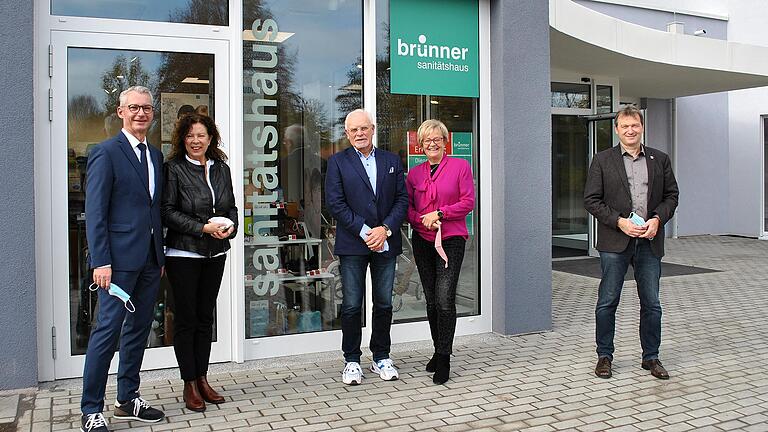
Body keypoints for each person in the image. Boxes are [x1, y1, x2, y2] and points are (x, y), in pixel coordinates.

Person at [81, 86, 165, 432]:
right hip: (115, 263)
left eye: (146, 108)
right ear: (120, 112)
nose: (141, 113)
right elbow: (96, 211)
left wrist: (159, 256)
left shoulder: (156, 156)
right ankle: (91, 408)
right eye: (134, 108)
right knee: (107, 332)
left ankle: (127, 398)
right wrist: (101, 261)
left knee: (138, 330)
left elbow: (153, 208)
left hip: (148, 260)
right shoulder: (106, 152)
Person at [584, 105, 679, 380]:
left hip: (649, 241)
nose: (630, 130)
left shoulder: (659, 159)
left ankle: (651, 357)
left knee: (652, 303)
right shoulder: (602, 160)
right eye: (624, 126)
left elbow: (671, 196)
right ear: (616, 130)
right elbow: (591, 200)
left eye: (634, 125)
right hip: (615, 241)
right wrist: (619, 221)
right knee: (607, 302)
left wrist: (658, 220)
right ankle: (604, 356)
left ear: (642, 127)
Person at [325, 109, 408, 385]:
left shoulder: (391, 160)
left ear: (373, 129)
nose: (359, 134)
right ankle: (351, 360)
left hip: (385, 241)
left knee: (383, 303)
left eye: (364, 128)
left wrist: (384, 230)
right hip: (353, 244)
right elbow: (336, 203)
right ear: (347, 134)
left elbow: (402, 200)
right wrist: (365, 231)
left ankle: (381, 356)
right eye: (353, 130)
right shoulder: (337, 162)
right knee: (351, 305)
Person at [161, 114, 238, 412]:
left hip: (215, 252)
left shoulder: (222, 169)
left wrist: (230, 225)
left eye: (201, 135)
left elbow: (230, 205)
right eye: (190, 135)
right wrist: (202, 228)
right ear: (183, 139)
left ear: (211, 138)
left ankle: (204, 378)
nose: (196, 141)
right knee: (187, 319)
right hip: (184, 254)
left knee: (206, 318)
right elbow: (167, 212)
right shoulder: (174, 169)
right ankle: (189, 383)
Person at [406, 119, 474, 385]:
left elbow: (468, 201)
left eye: (437, 139)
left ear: (445, 141)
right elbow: (409, 209)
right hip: (423, 240)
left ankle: (444, 357)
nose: (432, 143)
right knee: (432, 300)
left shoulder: (460, 166)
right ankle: (437, 348)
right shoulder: (414, 174)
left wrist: (441, 214)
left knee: (445, 298)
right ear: (420, 145)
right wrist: (422, 219)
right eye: (426, 140)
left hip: (451, 239)